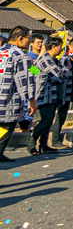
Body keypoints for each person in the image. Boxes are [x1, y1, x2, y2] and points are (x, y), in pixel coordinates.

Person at [0, 27, 36, 162]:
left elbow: (34, 70)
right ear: (20, 39)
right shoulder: (22, 55)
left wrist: (37, 69)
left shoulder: (2, 51)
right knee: (7, 125)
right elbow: (26, 78)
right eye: (30, 39)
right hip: (8, 99)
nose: (31, 43)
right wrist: (31, 99)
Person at [31, 36, 65, 155]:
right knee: (45, 120)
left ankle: (43, 145)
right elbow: (58, 74)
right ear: (54, 47)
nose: (62, 48)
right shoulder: (46, 59)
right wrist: (65, 70)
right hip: (44, 94)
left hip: (53, 94)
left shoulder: (54, 59)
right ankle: (31, 143)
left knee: (49, 120)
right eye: (60, 46)